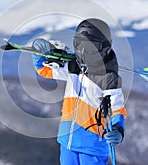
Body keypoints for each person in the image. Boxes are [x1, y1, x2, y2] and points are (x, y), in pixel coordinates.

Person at [32, 18, 127, 165]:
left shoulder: (108, 78)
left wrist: (118, 130)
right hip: (67, 141)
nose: (82, 51)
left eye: (88, 47)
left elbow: (117, 109)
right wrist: (39, 56)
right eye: (78, 44)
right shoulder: (74, 67)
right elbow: (46, 71)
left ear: (102, 48)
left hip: (92, 145)